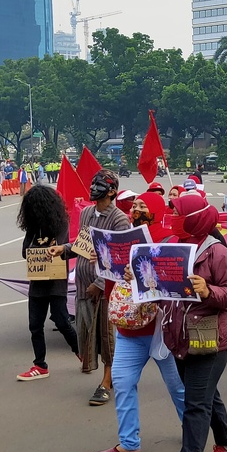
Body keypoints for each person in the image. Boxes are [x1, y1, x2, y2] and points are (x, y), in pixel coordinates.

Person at [161, 192, 227, 452]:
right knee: (207, 395)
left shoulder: (219, 253)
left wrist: (208, 290)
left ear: (194, 219)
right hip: (179, 338)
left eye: (179, 214)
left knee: (195, 404)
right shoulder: (171, 247)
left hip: (210, 342)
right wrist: (141, 279)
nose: (173, 219)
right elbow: (162, 290)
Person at [94, 192, 185, 452]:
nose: (136, 209)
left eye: (144, 205)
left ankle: (193, 430)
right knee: (122, 383)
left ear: (157, 209)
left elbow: (175, 281)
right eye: (135, 205)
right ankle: (128, 442)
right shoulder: (124, 240)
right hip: (129, 328)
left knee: (178, 387)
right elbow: (112, 283)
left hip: (161, 331)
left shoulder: (171, 240)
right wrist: (106, 266)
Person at [49, 170, 130, 405]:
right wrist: (63, 250)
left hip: (106, 290)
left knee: (106, 337)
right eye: (92, 182)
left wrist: (100, 283)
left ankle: (107, 381)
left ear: (112, 191)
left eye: (100, 184)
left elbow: (120, 257)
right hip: (83, 286)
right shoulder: (85, 213)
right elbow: (81, 243)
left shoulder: (119, 220)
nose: (94, 187)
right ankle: (107, 373)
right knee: (89, 335)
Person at [16, 185, 79, 381]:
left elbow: (62, 248)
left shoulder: (61, 225)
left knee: (61, 320)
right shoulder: (32, 229)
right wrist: (35, 249)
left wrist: (50, 250)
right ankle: (40, 364)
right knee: (35, 325)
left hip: (55, 281)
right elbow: (25, 252)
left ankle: (80, 351)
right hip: (37, 282)